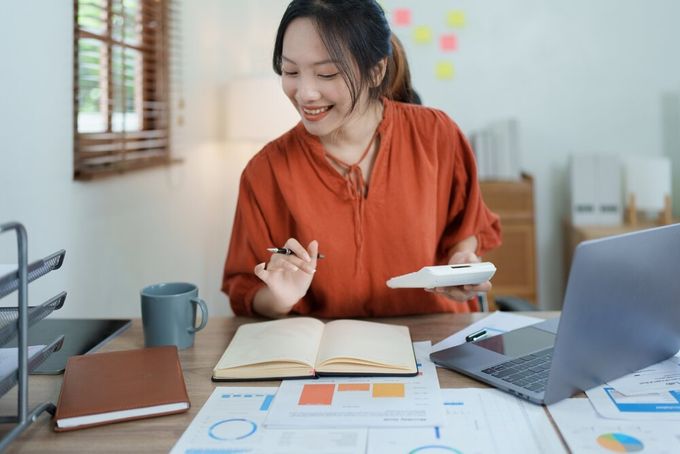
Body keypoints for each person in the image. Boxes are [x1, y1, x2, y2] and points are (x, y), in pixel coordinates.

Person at [222, 0, 501, 319]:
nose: (305, 93)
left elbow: (465, 227)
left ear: (376, 70)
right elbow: (244, 290)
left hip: (436, 345)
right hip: (325, 356)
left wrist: (463, 261)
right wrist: (279, 297)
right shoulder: (264, 172)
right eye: (291, 71)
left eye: (327, 73)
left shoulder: (437, 134)